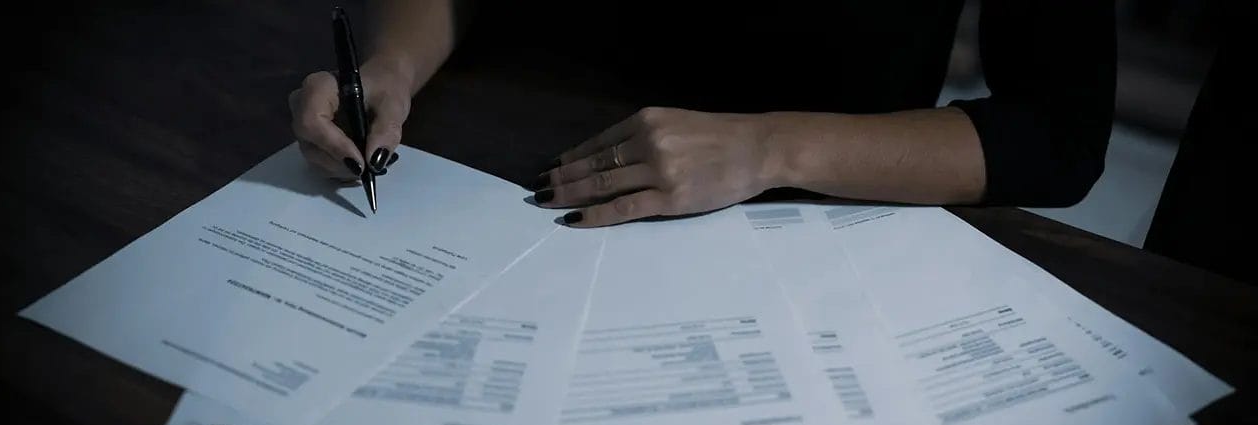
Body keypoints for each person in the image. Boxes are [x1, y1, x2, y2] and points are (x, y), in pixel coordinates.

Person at [290, 1, 1115, 228]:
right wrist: (393, 64)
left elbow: (1058, 134)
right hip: (501, 150)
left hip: (807, 214)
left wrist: (767, 147)